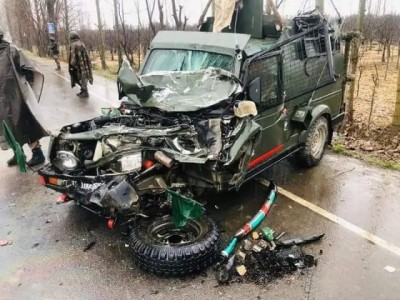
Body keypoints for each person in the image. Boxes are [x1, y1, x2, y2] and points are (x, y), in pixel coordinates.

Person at [0, 25, 46, 167]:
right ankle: (17, 152)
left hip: (17, 96)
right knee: (7, 126)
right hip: (1, 99)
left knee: (25, 122)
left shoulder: (11, 50)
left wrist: (26, 90)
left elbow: (28, 69)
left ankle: (38, 153)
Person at [68, 31, 93, 98]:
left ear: (71, 37)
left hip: (78, 65)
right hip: (84, 64)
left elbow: (73, 57)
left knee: (79, 78)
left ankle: (85, 92)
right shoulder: (81, 43)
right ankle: (83, 91)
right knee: (83, 77)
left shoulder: (73, 44)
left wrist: (73, 66)